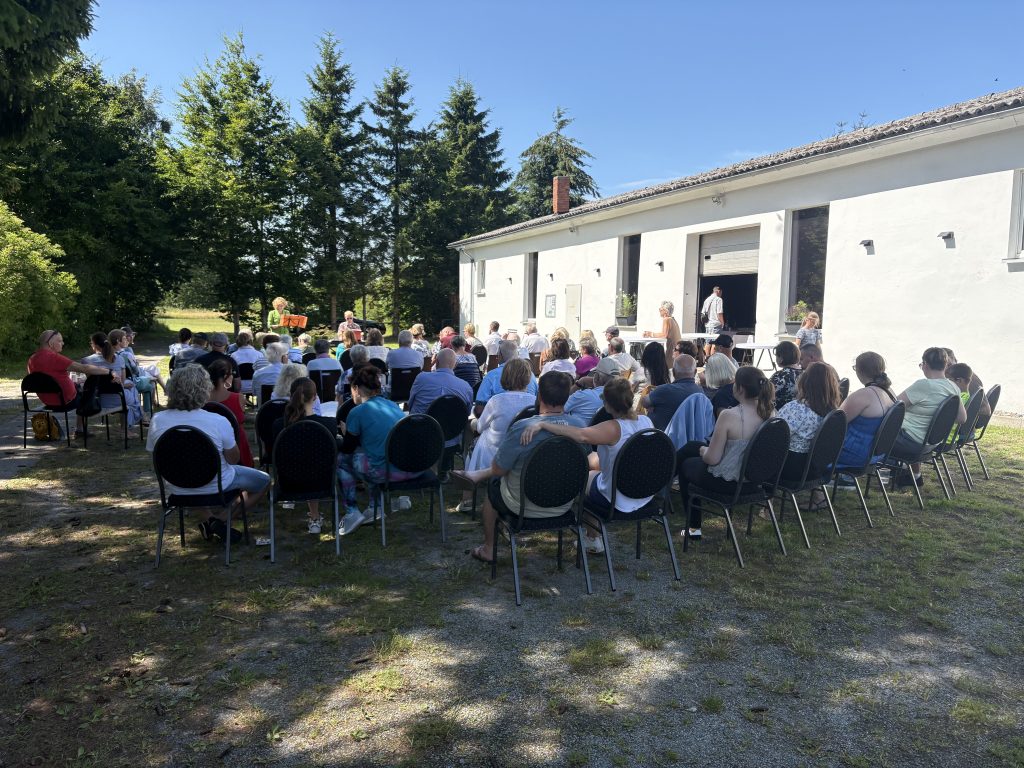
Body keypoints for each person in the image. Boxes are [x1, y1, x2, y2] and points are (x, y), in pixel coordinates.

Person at [453, 371, 583, 563]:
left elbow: (498, 470)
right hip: (564, 504)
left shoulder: (523, 427)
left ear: (539, 396)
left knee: (493, 486)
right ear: (568, 396)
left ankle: (489, 548)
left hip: (522, 505)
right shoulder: (580, 427)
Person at [518, 377, 656, 554]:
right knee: (594, 473)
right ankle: (592, 535)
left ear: (607, 404)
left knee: (583, 478)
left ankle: (593, 538)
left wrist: (544, 424)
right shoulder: (646, 422)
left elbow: (581, 435)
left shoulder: (613, 428)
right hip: (644, 491)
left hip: (618, 497)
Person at [148, 364, 269, 543]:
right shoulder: (217, 420)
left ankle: (211, 521)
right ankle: (219, 521)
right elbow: (233, 459)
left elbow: (156, 457)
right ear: (204, 389)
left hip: (177, 485)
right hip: (216, 485)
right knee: (264, 481)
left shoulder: (157, 420)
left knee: (192, 475)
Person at [677, 366, 775, 540]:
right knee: (691, 446)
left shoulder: (729, 415)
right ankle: (660, 486)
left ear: (740, 388)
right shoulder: (772, 414)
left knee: (686, 464)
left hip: (730, 482)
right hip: (757, 480)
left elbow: (712, 459)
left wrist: (703, 451)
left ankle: (693, 528)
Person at [336, 366, 423, 535]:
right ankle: (376, 505)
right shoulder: (392, 405)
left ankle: (352, 511)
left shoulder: (357, 411)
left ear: (356, 389)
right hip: (410, 467)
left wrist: (346, 434)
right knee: (371, 457)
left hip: (385, 472)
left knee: (342, 462)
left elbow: (348, 449)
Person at [272, 377, 340, 534]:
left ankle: (314, 515)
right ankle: (315, 515)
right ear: (315, 397)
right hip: (322, 483)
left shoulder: (278, 426)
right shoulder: (329, 425)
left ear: (291, 396)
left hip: (289, 484)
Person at [891, 347, 966, 487]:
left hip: (909, 444)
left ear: (925, 364)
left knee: (874, 432)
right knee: (912, 428)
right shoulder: (953, 387)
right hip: (930, 443)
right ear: (945, 365)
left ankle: (849, 476)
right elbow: (962, 418)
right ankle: (911, 474)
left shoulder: (923, 385)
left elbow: (894, 407)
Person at [27, 329, 117, 435]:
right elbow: (85, 368)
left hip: (48, 401)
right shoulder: (54, 358)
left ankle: (81, 427)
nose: (63, 343)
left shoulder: (31, 359)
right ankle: (89, 414)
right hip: (66, 401)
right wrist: (110, 371)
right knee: (93, 379)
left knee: (80, 388)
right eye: (60, 341)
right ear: (51, 343)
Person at [777, 362, 841, 489]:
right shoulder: (834, 413)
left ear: (804, 382)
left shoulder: (796, 409)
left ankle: (768, 505)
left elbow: (774, 438)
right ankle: (818, 496)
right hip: (816, 468)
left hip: (790, 469)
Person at [837, 351, 897, 471]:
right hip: (877, 454)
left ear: (859, 371)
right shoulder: (890, 392)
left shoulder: (862, 396)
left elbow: (834, 424)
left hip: (853, 455)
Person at [408, 349, 473, 447]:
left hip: (421, 437)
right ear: (455, 365)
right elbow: (466, 414)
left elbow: (410, 404)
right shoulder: (466, 387)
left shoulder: (421, 378)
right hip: (450, 439)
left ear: (436, 362)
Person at [82, 331, 145, 427]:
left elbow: (92, 382)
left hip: (97, 400)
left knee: (130, 388)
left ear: (95, 345)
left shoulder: (86, 361)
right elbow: (122, 382)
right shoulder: (120, 359)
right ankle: (128, 427)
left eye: (91, 343)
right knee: (132, 389)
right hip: (119, 399)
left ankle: (136, 420)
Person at [208, 358, 253, 468]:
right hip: (237, 441)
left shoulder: (203, 399)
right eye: (232, 373)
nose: (233, 376)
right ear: (225, 377)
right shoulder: (238, 398)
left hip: (211, 441)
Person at [473, 340, 538, 416]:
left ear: (500, 355)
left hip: (499, 424)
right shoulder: (531, 375)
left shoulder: (491, 376)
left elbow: (479, 409)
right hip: (527, 425)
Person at [643, 355, 705, 431]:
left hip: (663, 438)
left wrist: (653, 405)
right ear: (695, 372)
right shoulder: (700, 392)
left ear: (673, 372)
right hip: (691, 437)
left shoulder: (665, 390)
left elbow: (644, 402)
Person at [564, 357, 621, 424]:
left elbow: (559, 407)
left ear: (597, 377)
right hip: (604, 432)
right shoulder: (621, 397)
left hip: (576, 432)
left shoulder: (583, 395)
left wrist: (578, 384)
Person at [943, 349, 991, 420]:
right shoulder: (964, 375)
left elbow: (986, 410)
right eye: (943, 366)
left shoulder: (966, 380)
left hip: (965, 425)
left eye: (949, 365)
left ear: (955, 360)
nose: (946, 369)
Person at [644, 300, 682, 369]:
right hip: (677, 348)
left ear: (666, 311)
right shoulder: (673, 319)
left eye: (661, 309)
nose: (659, 310)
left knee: (668, 369)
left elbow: (664, 334)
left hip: (672, 350)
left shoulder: (666, 319)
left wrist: (650, 334)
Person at [770, 341, 802, 410]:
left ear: (781, 358)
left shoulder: (779, 376)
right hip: (801, 413)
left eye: (776, 356)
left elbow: (767, 394)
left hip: (781, 414)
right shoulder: (806, 373)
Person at [700, 286, 724, 357]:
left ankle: (706, 360)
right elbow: (719, 313)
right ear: (718, 291)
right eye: (721, 292)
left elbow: (703, 313)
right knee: (715, 344)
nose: (721, 294)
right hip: (716, 324)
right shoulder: (718, 299)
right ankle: (713, 361)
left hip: (708, 325)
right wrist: (722, 323)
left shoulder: (707, 300)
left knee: (707, 343)